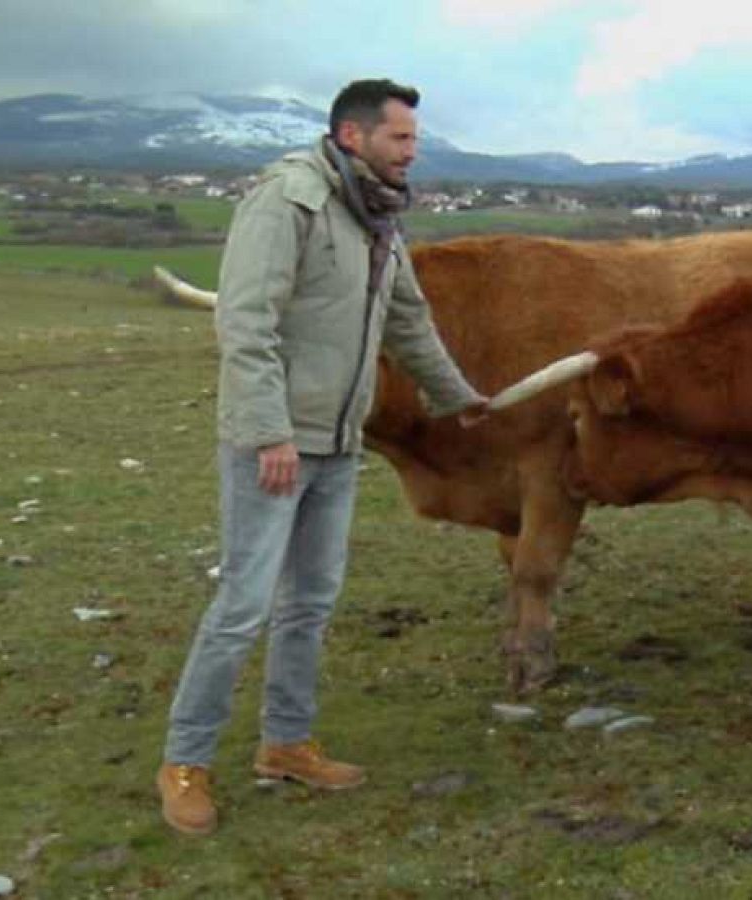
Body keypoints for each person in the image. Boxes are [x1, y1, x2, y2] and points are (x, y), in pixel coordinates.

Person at [157, 78, 489, 836]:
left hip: (340, 442)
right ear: (352, 136)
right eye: (400, 137)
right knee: (243, 605)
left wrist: (456, 396)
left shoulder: (378, 214)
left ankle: (286, 743)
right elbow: (246, 324)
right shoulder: (288, 201)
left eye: (414, 138)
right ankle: (184, 761)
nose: (413, 151)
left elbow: (408, 320)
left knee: (310, 602)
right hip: (275, 444)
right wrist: (269, 432)